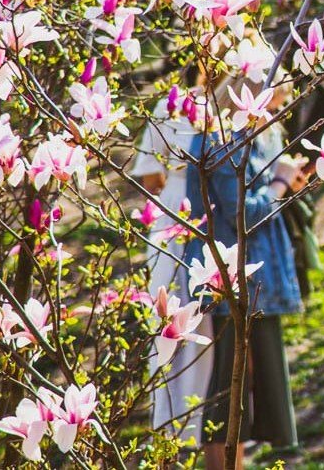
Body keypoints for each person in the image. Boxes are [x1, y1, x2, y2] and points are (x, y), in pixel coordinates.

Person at [183, 74, 310, 470]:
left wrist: (289, 181)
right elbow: (242, 215)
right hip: (229, 284)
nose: (276, 109)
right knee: (228, 384)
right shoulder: (216, 142)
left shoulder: (263, 135)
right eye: (272, 98)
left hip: (262, 282)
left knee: (252, 382)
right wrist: (278, 185)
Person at [131, 63, 215, 448]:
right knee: (169, 312)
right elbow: (151, 175)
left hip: (214, 212)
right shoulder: (172, 106)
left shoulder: (226, 109)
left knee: (203, 322)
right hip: (175, 214)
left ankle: (195, 424)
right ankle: (168, 420)